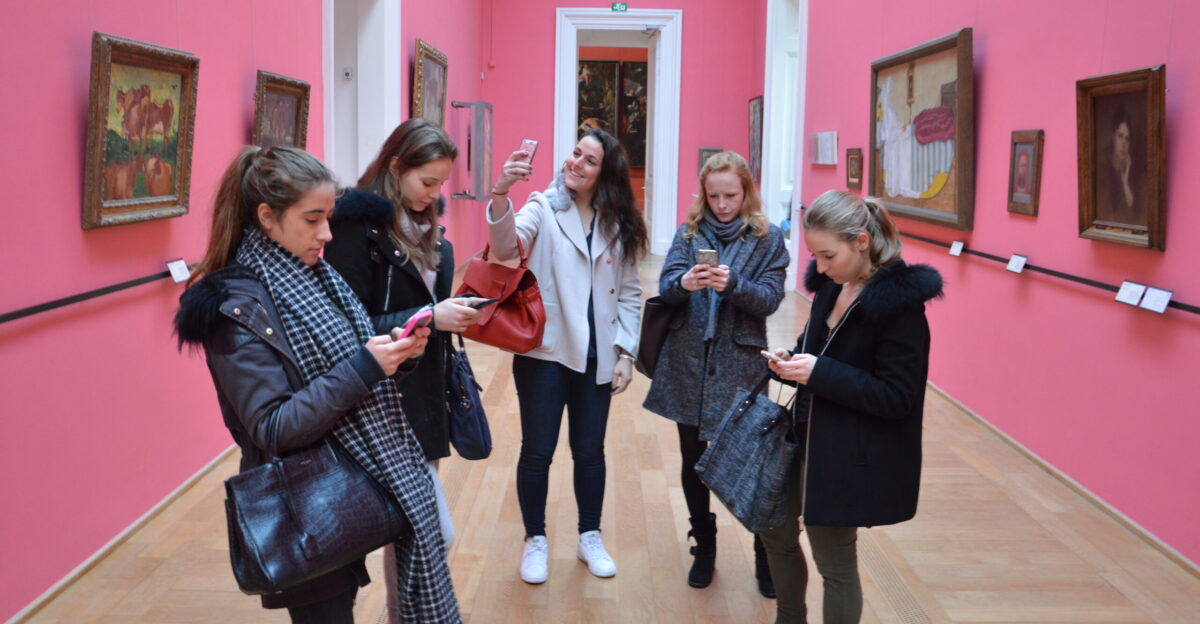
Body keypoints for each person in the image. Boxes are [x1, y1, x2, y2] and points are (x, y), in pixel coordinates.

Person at [174, 146, 460, 623]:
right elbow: (273, 427)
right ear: (267, 217)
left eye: (328, 217)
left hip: (351, 477)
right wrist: (366, 366)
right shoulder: (234, 308)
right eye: (313, 219)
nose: (326, 234)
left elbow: (342, 360)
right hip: (305, 500)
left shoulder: (316, 276)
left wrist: (392, 355)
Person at [762, 190, 942, 623]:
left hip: (847, 453)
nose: (819, 268)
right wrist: (789, 358)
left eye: (828, 255)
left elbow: (898, 397)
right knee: (774, 531)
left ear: (862, 241)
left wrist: (819, 373)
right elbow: (817, 347)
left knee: (834, 561)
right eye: (815, 256)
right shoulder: (832, 285)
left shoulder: (900, 309)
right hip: (802, 432)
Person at [487, 128, 648, 584]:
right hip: (546, 350)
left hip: (599, 355)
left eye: (589, 160)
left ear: (607, 174)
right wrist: (502, 192)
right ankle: (534, 539)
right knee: (537, 451)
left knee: (590, 452)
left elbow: (631, 293)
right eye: (575, 153)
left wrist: (625, 353)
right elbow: (505, 248)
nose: (575, 162)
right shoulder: (542, 204)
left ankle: (588, 536)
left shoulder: (620, 223)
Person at [642, 151, 789, 595]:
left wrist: (735, 285)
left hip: (740, 365)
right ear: (703, 195)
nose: (722, 205)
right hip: (689, 363)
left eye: (730, 195)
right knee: (692, 460)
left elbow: (769, 300)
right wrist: (685, 283)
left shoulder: (768, 239)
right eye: (714, 196)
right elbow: (666, 288)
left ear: (747, 192)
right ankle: (704, 544)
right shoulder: (689, 233)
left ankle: (765, 552)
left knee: (752, 459)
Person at [326, 118, 481, 464]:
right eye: (427, 182)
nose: (434, 194)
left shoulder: (427, 227)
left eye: (440, 184)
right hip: (380, 395)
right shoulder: (353, 227)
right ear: (396, 167)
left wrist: (450, 310)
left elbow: (423, 298)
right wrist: (430, 316)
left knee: (425, 501)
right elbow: (344, 326)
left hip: (426, 389)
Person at [1096, 105, 1141, 225]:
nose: (1124, 144)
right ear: (1113, 138)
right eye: (1120, 136)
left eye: (1127, 138)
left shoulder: (1130, 169)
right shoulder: (1103, 167)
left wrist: (1125, 183)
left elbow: (1133, 213)